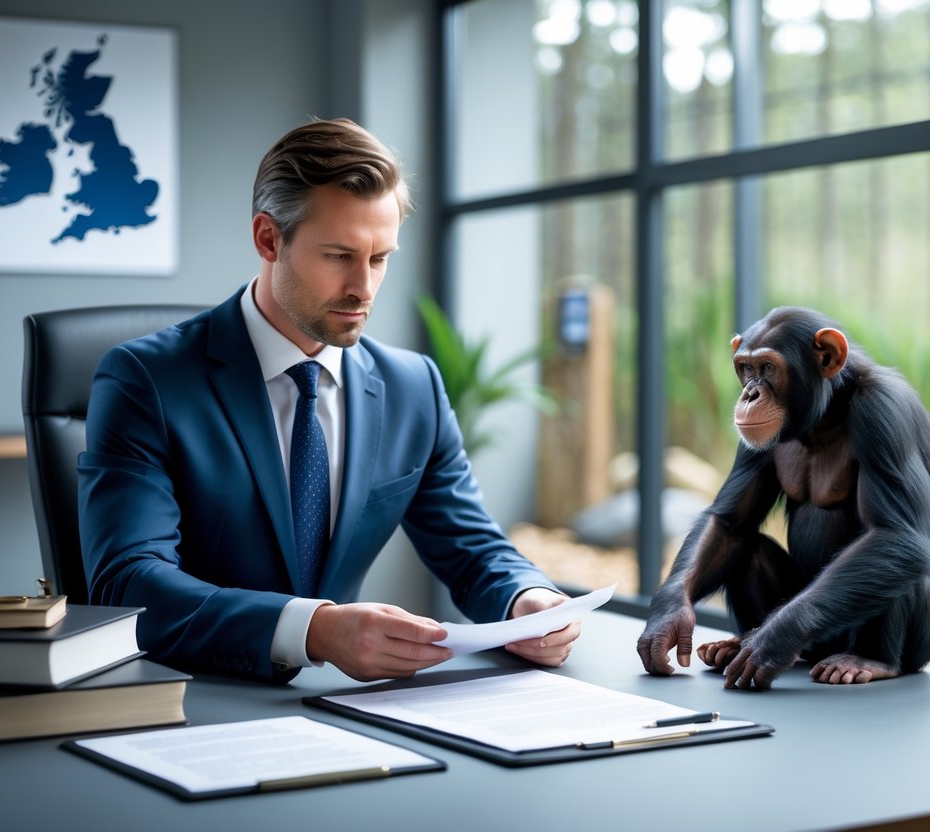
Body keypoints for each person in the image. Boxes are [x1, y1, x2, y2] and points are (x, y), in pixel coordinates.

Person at [78, 117, 579, 683]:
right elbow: (129, 581)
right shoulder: (145, 379)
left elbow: (472, 548)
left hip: (345, 711)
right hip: (185, 697)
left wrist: (526, 598)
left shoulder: (415, 387)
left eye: (380, 258)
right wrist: (313, 629)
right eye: (340, 256)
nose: (363, 288)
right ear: (269, 239)